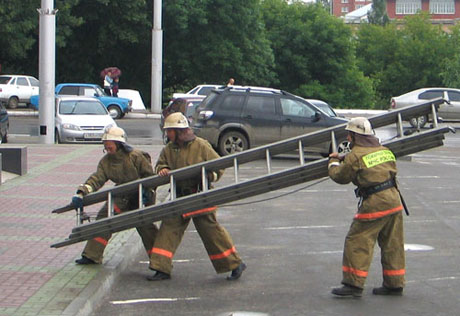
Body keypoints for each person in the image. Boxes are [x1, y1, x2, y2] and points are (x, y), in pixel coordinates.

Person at [147, 112, 246, 281]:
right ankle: (161, 268)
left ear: (178, 131)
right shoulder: (169, 149)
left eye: (169, 131)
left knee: (211, 233)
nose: (167, 134)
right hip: (179, 197)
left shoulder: (201, 145)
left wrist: (208, 177)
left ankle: (234, 264)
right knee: (168, 230)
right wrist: (162, 170)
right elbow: (161, 164)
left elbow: (219, 166)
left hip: (200, 195)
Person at [328, 117, 406, 297]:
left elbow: (341, 176)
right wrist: (346, 158)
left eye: (350, 135)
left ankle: (353, 285)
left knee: (357, 240)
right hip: (394, 201)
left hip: (375, 203)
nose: (348, 138)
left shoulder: (355, 156)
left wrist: (333, 162)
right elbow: (373, 164)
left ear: (355, 136)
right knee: (392, 243)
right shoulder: (385, 150)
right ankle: (394, 284)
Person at [72, 126, 158, 265]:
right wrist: (82, 192)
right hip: (121, 196)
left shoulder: (136, 156)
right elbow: (97, 178)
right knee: (103, 219)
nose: (106, 146)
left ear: (118, 143)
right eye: (105, 143)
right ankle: (92, 255)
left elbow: (150, 177)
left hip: (142, 196)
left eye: (109, 143)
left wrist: (148, 192)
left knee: (145, 225)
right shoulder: (106, 162)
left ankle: (159, 261)